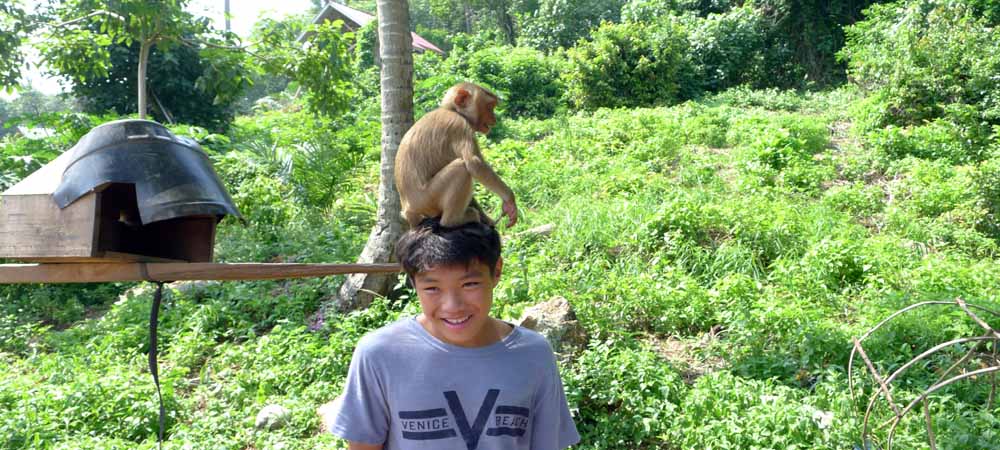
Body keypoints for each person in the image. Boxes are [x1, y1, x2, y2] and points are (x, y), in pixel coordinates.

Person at [330, 218, 580, 450]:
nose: (453, 306)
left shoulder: (533, 355)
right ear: (413, 283)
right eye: (432, 288)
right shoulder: (380, 354)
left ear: (496, 272)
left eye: (469, 284)